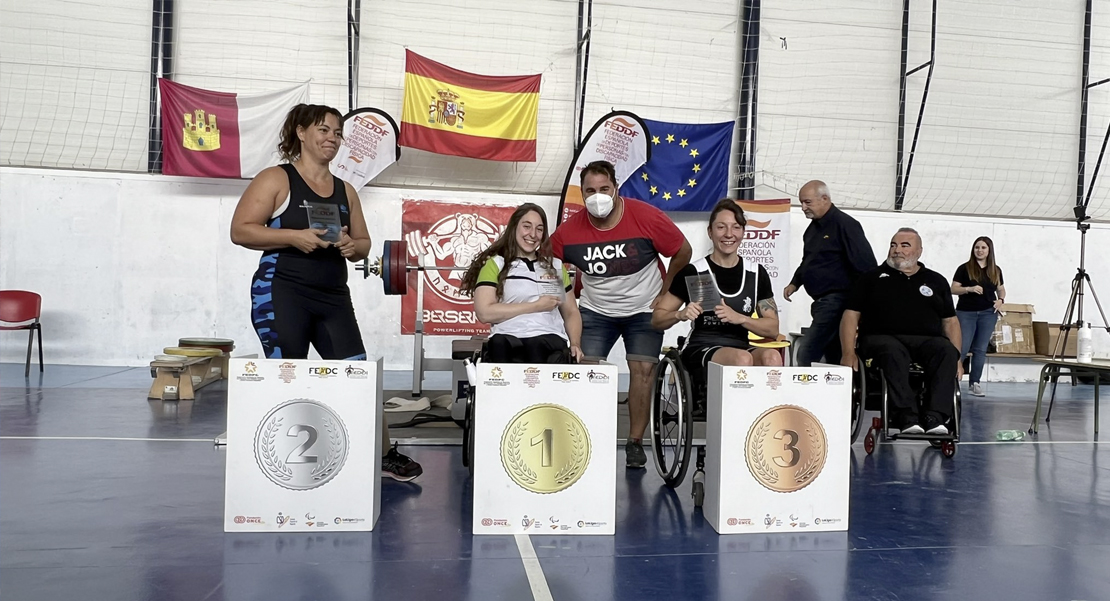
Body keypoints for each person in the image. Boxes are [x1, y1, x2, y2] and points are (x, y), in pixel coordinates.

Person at [229, 103, 422, 482]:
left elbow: (364, 244)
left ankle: (382, 455)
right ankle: (279, 460)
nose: (332, 138)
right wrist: (292, 237)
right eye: (323, 130)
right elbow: (241, 230)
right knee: (287, 374)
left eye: (337, 132)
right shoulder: (276, 179)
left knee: (358, 374)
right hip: (283, 290)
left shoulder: (345, 190)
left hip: (332, 295)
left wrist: (353, 246)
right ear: (301, 133)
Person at [551, 160, 693, 469]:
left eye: (604, 189)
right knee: (584, 370)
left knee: (642, 370)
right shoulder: (569, 232)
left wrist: (667, 290)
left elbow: (683, 251)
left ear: (616, 189)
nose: (597, 196)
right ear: (582, 192)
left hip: (643, 308)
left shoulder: (646, 217)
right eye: (590, 190)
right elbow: (546, 262)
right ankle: (585, 437)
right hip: (596, 309)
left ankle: (634, 442)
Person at [652, 199, 783, 406]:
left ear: (743, 233)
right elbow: (657, 319)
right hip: (701, 346)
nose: (728, 234)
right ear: (710, 232)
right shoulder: (693, 272)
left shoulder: (756, 273)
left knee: (773, 358)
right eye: (721, 227)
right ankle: (738, 418)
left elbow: (772, 328)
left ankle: (765, 414)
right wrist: (680, 314)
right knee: (742, 360)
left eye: (735, 227)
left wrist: (739, 318)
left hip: (740, 345)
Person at [839, 228, 963, 435]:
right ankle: (905, 415)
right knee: (892, 351)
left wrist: (957, 358)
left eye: (905, 245)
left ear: (919, 251)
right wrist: (848, 352)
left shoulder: (936, 281)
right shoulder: (871, 278)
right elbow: (851, 315)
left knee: (947, 351)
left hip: (926, 341)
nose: (897, 250)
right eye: (893, 245)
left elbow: (951, 322)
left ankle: (935, 416)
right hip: (881, 339)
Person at [459, 203, 584, 363]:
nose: (533, 234)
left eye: (539, 229)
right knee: (500, 344)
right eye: (527, 226)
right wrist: (537, 306)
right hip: (507, 335)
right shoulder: (496, 264)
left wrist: (575, 343)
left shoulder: (555, 267)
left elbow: (571, 312)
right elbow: (484, 313)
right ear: (514, 227)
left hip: (547, 337)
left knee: (536, 346)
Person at [784, 181, 877, 366]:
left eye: (807, 202)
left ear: (824, 199)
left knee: (807, 352)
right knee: (834, 355)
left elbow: (866, 265)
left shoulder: (846, 225)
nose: (803, 207)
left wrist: (862, 304)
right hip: (820, 303)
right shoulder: (811, 230)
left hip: (838, 301)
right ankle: (841, 393)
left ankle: (802, 391)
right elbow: (808, 261)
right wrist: (795, 282)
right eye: (801, 202)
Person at [951, 236, 1006, 397]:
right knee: (962, 347)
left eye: (983, 248)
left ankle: (975, 382)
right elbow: (953, 289)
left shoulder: (995, 270)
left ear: (989, 251)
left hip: (988, 313)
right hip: (966, 313)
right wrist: (969, 289)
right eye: (977, 247)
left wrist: (1000, 300)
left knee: (980, 349)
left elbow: (1001, 288)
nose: (980, 250)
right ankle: (954, 380)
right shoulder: (964, 268)